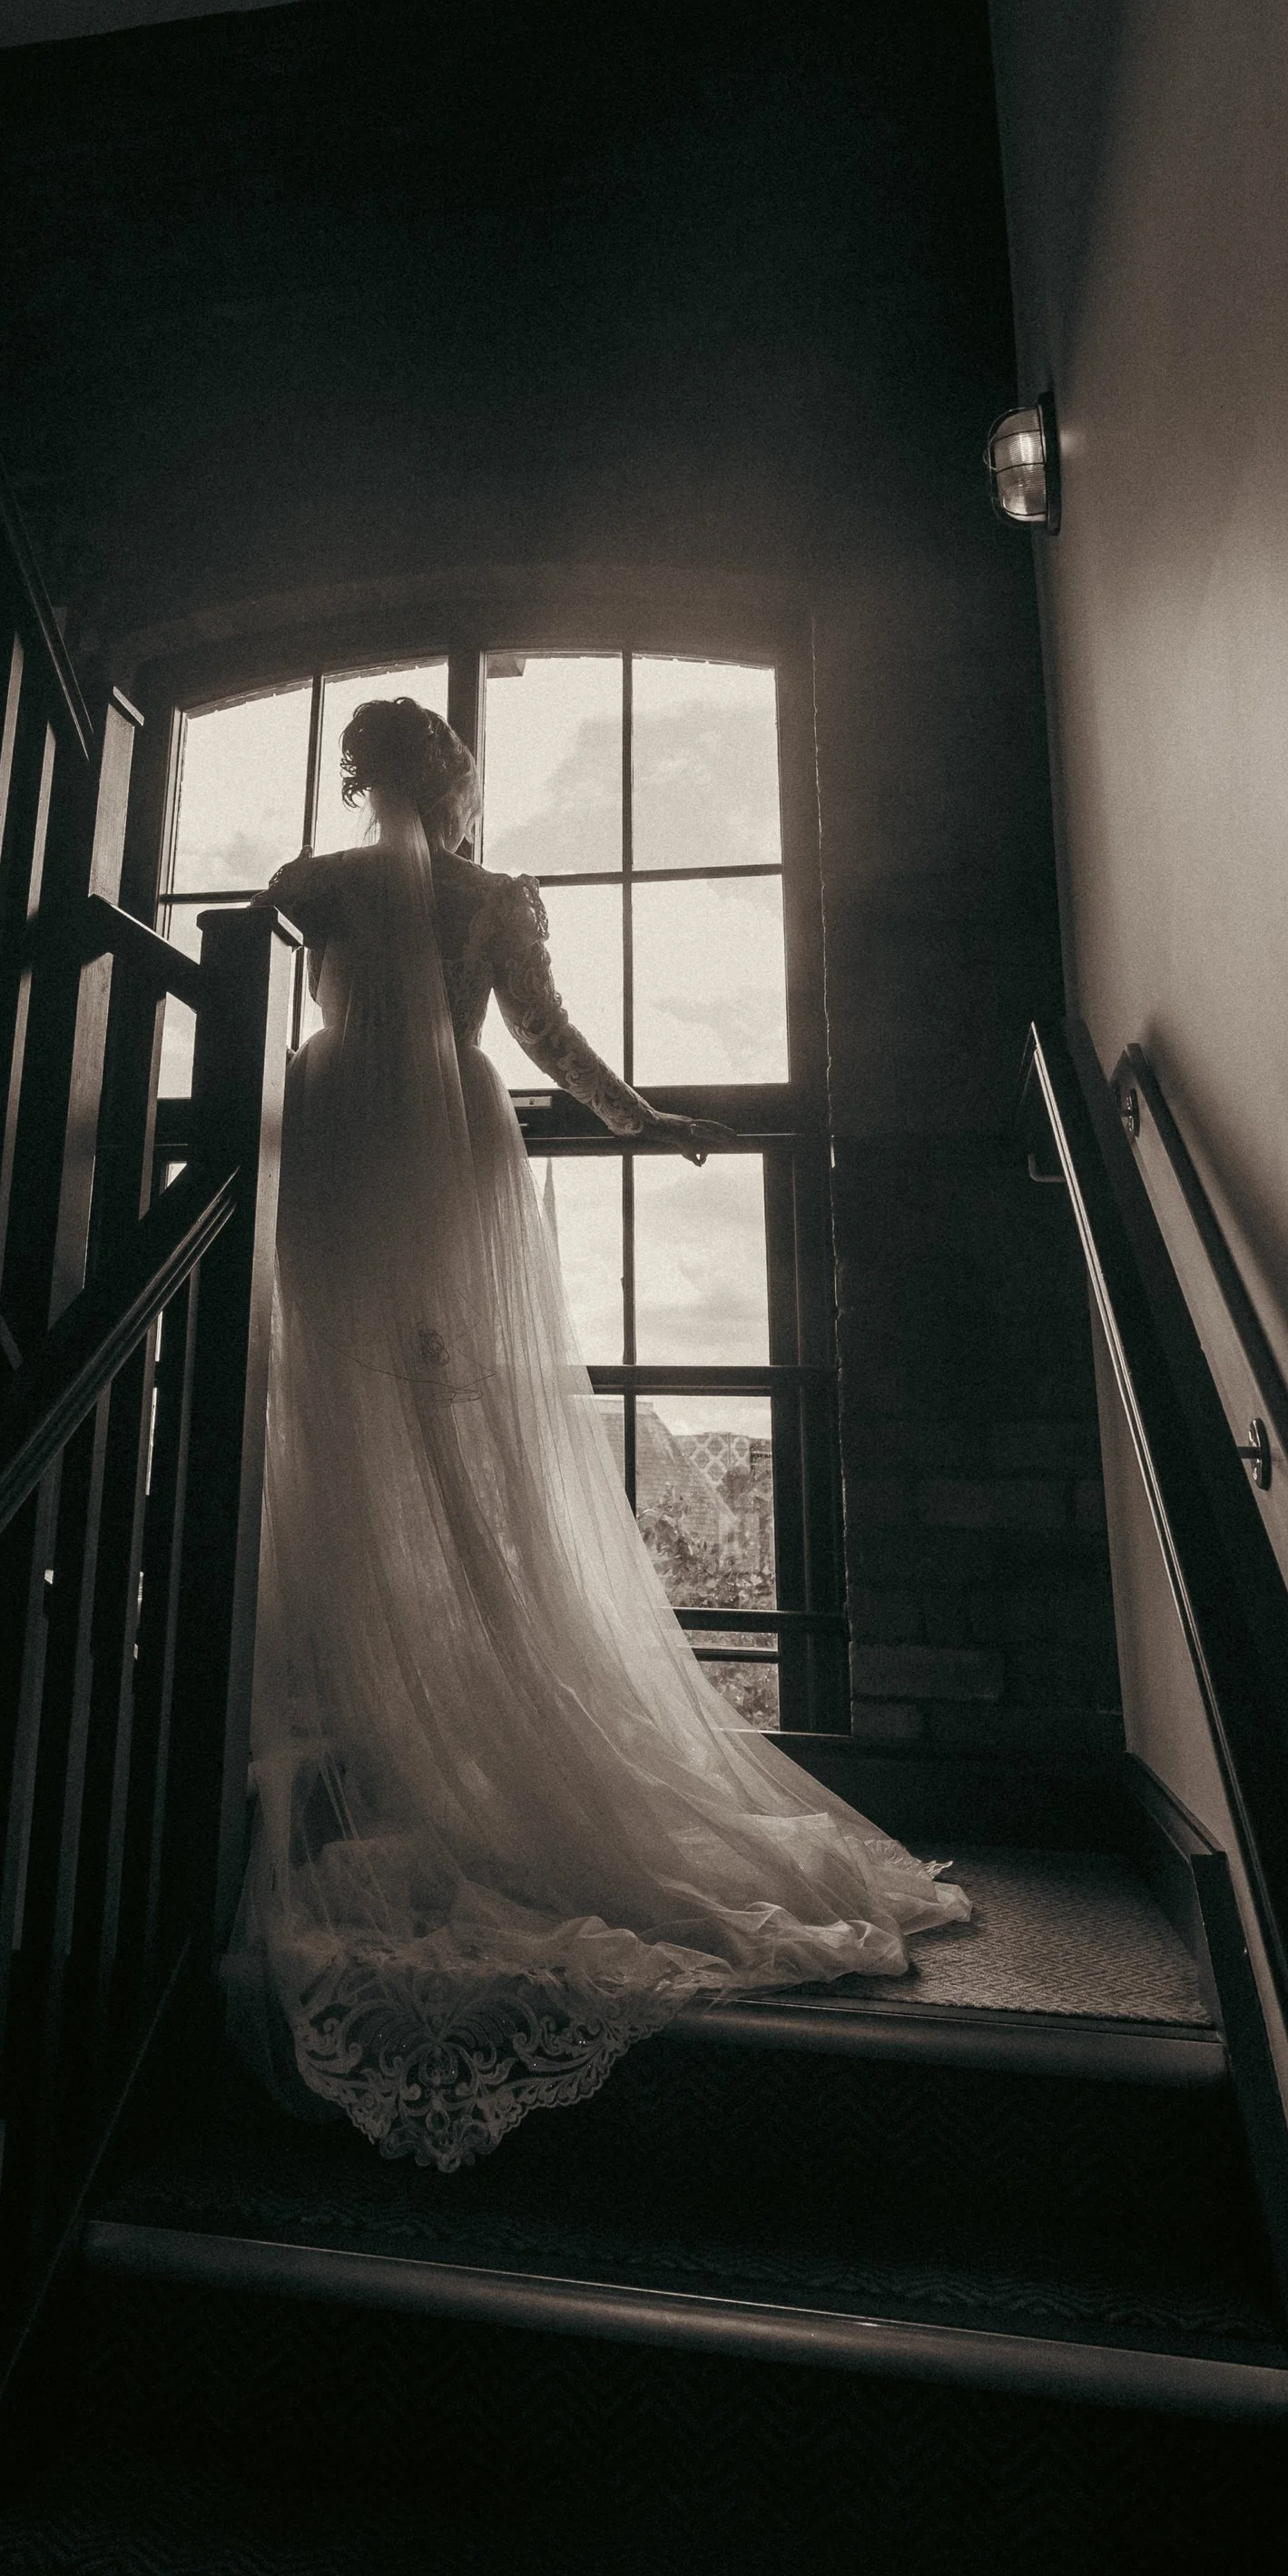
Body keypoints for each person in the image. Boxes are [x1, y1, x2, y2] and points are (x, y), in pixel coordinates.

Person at [221, 696, 968, 2169]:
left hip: (332, 1148)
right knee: (443, 1428)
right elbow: (554, 1042)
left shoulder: (312, 887)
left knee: (344, 1422)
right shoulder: (494, 900)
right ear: (455, 780)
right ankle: (424, 1727)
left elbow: (259, 969)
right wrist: (647, 1119)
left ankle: (393, 1735)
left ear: (361, 776)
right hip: (442, 1163)